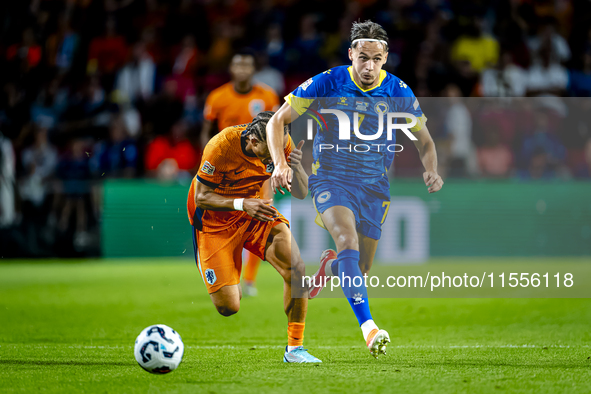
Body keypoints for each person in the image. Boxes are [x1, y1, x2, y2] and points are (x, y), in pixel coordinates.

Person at [266, 20, 444, 358]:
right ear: (351, 54)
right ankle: (370, 328)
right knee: (346, 240)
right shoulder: (327, 82)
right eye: (363, 58)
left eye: (376, 59)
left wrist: (431, 170)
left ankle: (331, 268)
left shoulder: (397, 91)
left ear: (386, 58)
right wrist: (281, 163)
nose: (369, 66)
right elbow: (277, 121)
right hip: (330, 179)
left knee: (360, 268)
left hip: (374, 187)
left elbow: (425, 142)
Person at [186, 111, 320, 363]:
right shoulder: (221, 146)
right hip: (215, 222)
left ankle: (295, 349)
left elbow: (301, 192)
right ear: (252, 141)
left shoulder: (280, 142)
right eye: (269, 155)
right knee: (229, 307)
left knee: (297, 268)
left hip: (254, 211)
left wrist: (298, 167)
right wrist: (241, 203)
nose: (273, 160)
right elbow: (200, 197)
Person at [201, 49, 280, 296]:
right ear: (232, 69)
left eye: (248, 65)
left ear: (253, 70)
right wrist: (205, 160)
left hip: (260, 170)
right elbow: (207, 130)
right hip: (227, 171)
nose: (243, 70)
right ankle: (227, 272)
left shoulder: (267, 96)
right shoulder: (218, 97)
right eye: (239, 65)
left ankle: (249, 279)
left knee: (263, 213)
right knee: (230, 216)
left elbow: (279, 128)